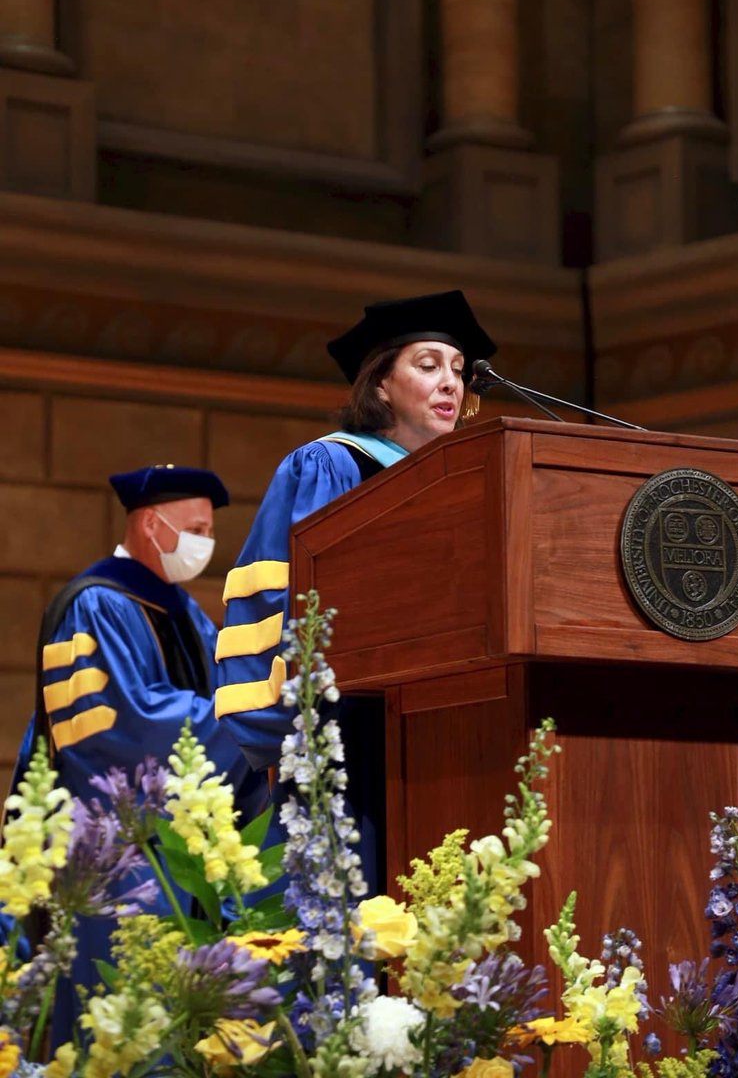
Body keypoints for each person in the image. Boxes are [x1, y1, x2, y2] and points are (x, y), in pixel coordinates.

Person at [213, 289, 497, 889]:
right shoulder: (333, 466)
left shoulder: (464, 488)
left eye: (457, 370)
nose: (450, 382)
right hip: (353, 740)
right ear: (382, 386)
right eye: (427, 365)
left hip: (446, 742)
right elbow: (290, 604)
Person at [13, 464, 268, 1047]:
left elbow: (223, 693)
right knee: (122, 1023)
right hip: (120, 856)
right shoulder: (96, 604)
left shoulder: (186, 615)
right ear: (152, 524)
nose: (206, 542)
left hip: (183, 847)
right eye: (196, 527)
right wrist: (254, 717)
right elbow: (125, 726)